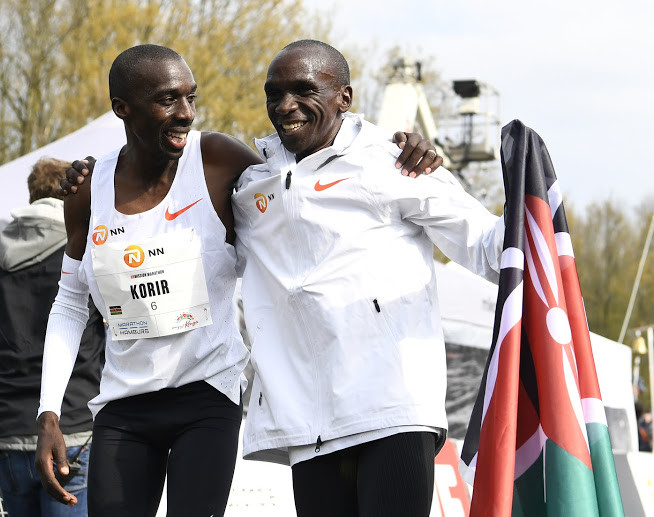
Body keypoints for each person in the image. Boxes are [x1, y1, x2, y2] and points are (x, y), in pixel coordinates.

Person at [39, 44, 440, 516]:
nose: (186, 113)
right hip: (124, 404)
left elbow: (302, 181)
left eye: (191, 97)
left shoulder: (216, 160)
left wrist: (394, 150)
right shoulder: (88, 187)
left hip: (207, 395)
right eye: (168, 100)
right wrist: (48, 411)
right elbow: (70, 303)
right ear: (122, 108)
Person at [230, 40, 505, 516]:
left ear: (344, 97)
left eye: (303, 90)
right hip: (310, 426)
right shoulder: (253, 185)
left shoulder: (394, 162)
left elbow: (486, 248)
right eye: (274, 94)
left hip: (392, 410)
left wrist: (535, 212)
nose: (285, 105)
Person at [0, 157, 105, 516]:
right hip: (71, 428)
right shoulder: (82, 253)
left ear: (32, 195)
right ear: (71, 193)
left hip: (5, 430)